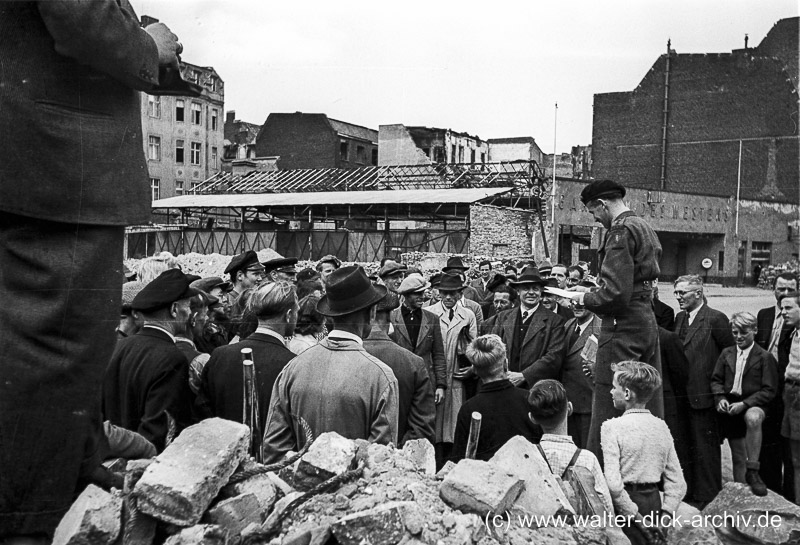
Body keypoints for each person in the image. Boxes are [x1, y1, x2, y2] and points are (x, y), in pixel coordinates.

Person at [0, 2, 181, 539]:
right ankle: (30, 521)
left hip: (37, 166)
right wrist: (150, 45)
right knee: (55, 349)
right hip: (59, 172)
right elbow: (79, 13)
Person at [560, 179, 663, 463]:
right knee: (644, 400)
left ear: (602, 205)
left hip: (621, 325)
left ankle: (601, 483)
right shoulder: (642, 225)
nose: (596, 220)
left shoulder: (619, 231)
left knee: (609, 403)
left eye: (594, 213)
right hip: (644, 319)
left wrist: (584, 299)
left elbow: (615, 295)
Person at [263, 266, 399, 462]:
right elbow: (380, 462)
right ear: (372, 313)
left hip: (300, 489)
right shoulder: (381, 377)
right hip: (354, 490)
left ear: (329, 314)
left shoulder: (292, 368)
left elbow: (274, 451)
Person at [103, 269, 199, 453]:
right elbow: (161, 430)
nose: (188, 313)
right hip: (143, 464)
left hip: (112, 457)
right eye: (187, 306)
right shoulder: (172, 358)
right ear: (174, 310)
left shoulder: (118, 347)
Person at [197, 282, 297, 438]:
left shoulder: (220, 355)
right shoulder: (294, 364)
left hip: (223, 451)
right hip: (270, 458)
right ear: (289, 315)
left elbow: (203, 412)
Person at [601, 361, 686, 545]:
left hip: (628, 506)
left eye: (614, 387)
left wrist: (638, 519)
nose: (610, 391)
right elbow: (678, 482)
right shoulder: (661, 426)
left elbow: (614, 485)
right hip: (655, 503)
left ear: (627, 393)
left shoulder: (611, 427)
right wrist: (665, 518)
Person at [672, 274, 734, 507]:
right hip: (682, 397)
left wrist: (721, 392)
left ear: (698, 293)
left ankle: (709, 498)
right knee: (684, 447)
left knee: (706, 451)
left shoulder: (715, 319)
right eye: (676, 293)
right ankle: (689, 497)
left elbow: (730, 356)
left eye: (683, 293)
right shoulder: (680, 318)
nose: (678, 297)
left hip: (705, 397)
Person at [528, 380, 615, 521]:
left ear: (532, 418)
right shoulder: (587, 459)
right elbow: (606, 509)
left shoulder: (529, 456)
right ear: (569, 408)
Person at [711, 312, 777, 496]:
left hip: (752, 404)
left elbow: (769, 390)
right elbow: (716, 380)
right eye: (734, 332)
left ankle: (753, 470)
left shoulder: (764, 357)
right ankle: (741, 495)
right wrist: (720, 398)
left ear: (755, 330)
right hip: (732, 407)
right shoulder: (727, 354)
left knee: (753, 417)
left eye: (743, 332)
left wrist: (746, 403)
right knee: (737, 456)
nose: (739, 337)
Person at [451, 335, 541, 462]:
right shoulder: (529, 400)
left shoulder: (469, 409)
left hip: (485, 479)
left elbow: (458, 460)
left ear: (475, 370)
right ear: (505, 363)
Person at [365, 291, 435, 446]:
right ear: (390, 317)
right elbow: (422, 429)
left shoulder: (348, 357)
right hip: (397, 459)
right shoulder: (413, 363)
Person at [426, 272, 478, 466]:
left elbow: (474, 347)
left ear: (459, 293)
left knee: (454, 423)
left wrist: (472, 368)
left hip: (457, 377)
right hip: (435, 376)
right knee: (434, 422)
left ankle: (453, 462)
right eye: (444, 293)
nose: (448, 297)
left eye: (453, 293)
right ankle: (435, 462)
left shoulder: (468, 315)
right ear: (438, 292)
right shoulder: (429, 312)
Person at [491, 268, 566, 388]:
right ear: (518, 291)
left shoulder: (555, 321)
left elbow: (554, 357)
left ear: (541, 292)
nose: (531, 293)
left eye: (535, 289)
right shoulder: (503, 317)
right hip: (505, 383)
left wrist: (524, 376)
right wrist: (503, 374)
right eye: (526, 288)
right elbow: (493, 348)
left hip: (536, 388)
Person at [390, 275, 447, 406]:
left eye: (422, 292)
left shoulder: (432, 319)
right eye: (417, 294)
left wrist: (440, 385)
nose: (422, 296)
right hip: (399, 381)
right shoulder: (392, 317)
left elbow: (438, 354)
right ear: (406, 294)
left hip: (425, 382)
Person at [562, 300, 600, 448]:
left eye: (582, 301)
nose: (577, 306)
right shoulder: (569, 325)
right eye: (574, 301)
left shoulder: (601, 327)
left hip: (587, 403)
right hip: (567, 401)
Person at [779, 291, 800, 502]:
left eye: (789, 308)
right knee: (795, 459)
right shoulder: (792, 334)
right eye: (782, 308)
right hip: (790, 395)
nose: (783, 312)